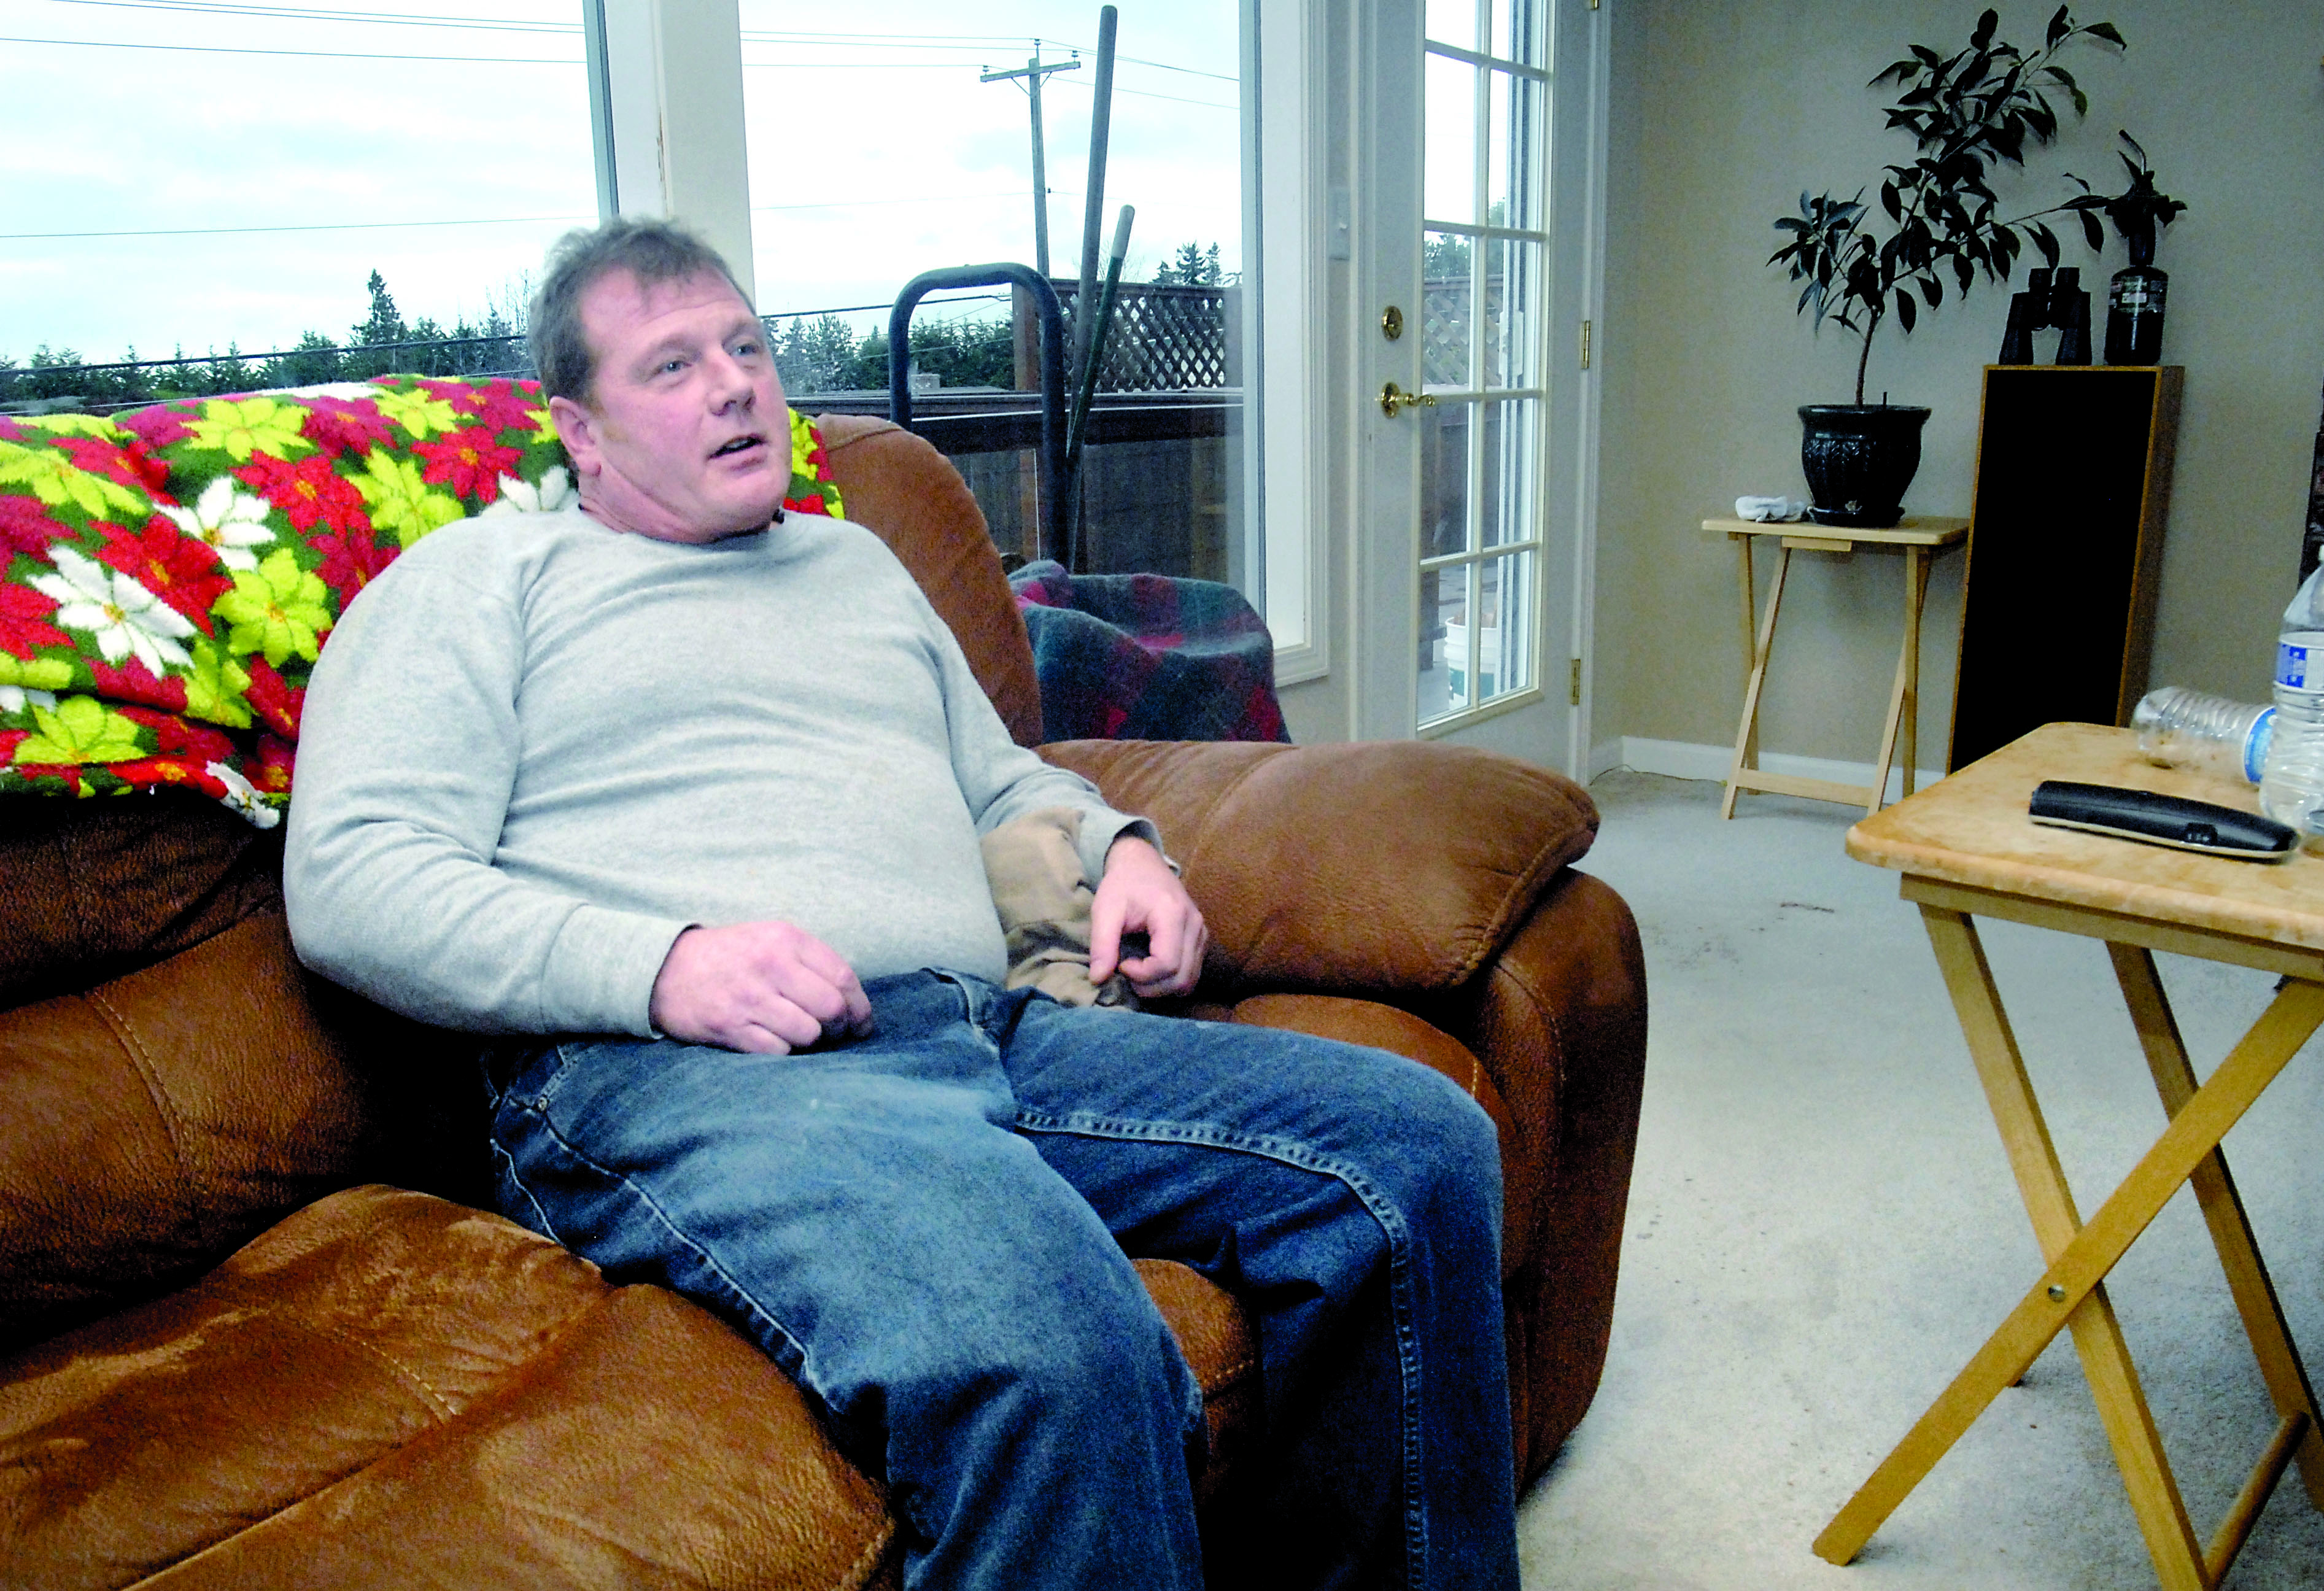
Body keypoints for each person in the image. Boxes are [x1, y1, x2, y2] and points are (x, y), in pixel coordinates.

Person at [284, 216, 1519, 1590]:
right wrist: (663, 964)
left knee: (1415, 1147)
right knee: (1060, 1352)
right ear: (577, 428)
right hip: (690, 1075)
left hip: (983, 1031)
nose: (736, 383)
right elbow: (353, 879)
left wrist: (1121, 851)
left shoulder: (855, 564)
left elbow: (996, 780)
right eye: (673, 365)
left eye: (745, 346)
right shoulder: (477, 585)